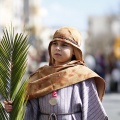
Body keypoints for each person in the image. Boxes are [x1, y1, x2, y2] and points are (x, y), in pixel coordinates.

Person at [4, 26, 108, 120]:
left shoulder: (83, 76)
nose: (58, 48)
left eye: (64, 45)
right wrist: (14, 108)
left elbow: (93, 113)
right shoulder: (41, 74)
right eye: (54, 43)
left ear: (74, 51)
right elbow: (30, 108)